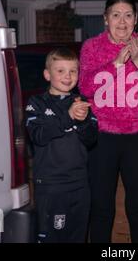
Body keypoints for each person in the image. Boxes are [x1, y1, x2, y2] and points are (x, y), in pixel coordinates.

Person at [79, 0, 138, 243]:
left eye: (128, 15)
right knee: (102, 206)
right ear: (105, 19)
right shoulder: (92, 47)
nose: (122, 22)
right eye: (115, 15)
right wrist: (116, 64)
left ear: (136, 19)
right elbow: (85, 86)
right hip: (102, 137)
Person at [25, 48, 98, 243]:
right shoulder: (37, 103)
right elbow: (38, 135)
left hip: (80, 184)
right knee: (53, 238)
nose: (68, 76)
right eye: (61, 71)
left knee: (77, 237)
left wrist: (82, 122)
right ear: (47, 74)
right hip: (52, 186)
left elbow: (92, 139)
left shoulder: (82, 102)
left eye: (73, 71)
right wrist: (68, 117)